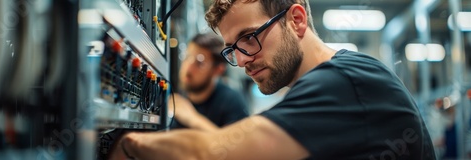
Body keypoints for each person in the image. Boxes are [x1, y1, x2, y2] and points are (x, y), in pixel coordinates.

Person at [111, 0, 437, 159]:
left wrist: (126, 144)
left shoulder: (345, 81)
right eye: (231, 50)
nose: (240, 60)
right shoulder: (328, 82)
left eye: (249, 38)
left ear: (296, 20)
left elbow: (213, 153)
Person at [168, 33, 249, 131]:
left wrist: (192, 119)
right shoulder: (174, 96)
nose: (187, 68)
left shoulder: (232, 101)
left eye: (199, 63)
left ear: (218, 70)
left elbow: (237, 145)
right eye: (187, 57)